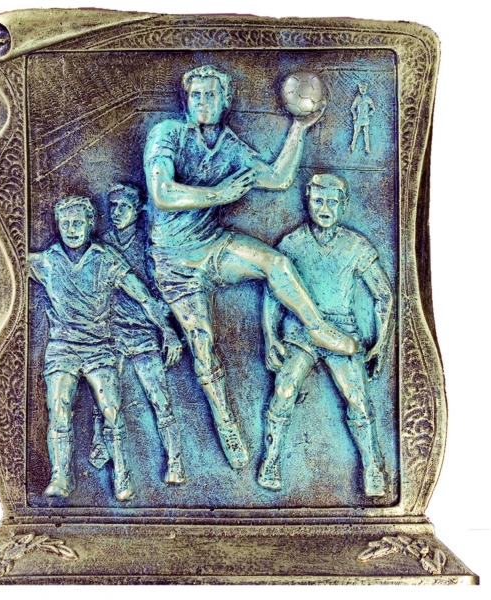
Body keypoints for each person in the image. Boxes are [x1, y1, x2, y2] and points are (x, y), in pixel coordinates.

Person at [144, 65, 359, 470]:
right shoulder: (167, 135)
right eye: (196, 95)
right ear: (186, 100)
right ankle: (225, 421)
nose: (203, 102)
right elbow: (162, 192)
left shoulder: (229, 144)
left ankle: (317, 327)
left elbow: (277, 178)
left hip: (212, 245)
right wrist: (219, 193)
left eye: (211, 95)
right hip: (173, 261)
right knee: (202, 343)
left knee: (276, 263)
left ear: (225, 100)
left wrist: (299, 128)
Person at [28, 196, 180, 501]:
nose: (71, 229)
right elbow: (6, 260)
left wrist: (168, 330)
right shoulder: (45, 261)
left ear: (90, 224)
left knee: (112, 412)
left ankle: (122, 475)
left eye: (77, 223)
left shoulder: (106, 258)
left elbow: (142, 296)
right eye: (65, 223)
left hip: (99, 348)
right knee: (58, 409)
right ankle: (61, 476)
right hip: (62, 347)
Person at [259, 174, 394, 497]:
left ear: (344, 205)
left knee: (358, 399)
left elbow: (384, 295)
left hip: (342, 332)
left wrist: (380, 345)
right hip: (300, 330)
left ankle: (373, 466)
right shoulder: (291, 244)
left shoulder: (356, 246)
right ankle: (270, 460)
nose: (325, 208)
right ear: (307, 200)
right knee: (284, 390)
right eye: (318, 201)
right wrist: (271, 337)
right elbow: (274, 293)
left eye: (332, 202)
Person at [89, 183, 186, 485]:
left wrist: (170, 332)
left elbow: (164, 292)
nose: (116, 212)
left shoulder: (149, 245)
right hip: (111, 334)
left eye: (124, 207)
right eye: (113, 206)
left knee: (160, 400)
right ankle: (100, 442)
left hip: (144, 332)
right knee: (104, 397)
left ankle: (175, 462)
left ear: (138, 210)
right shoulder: (101, 246)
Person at [350, 82, 376, 153]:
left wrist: (369, 113)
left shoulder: (368, 99)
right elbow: (352, 108)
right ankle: (352, 146)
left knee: (366, 134)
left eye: (364, 87)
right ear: (359, 89)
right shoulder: (357, 98)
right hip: (358, 118)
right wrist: (354, 115)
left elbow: (373, 108)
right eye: (361, 87)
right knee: (356, 133)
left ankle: (367, 148)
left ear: (366, 88)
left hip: (365, 118)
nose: (362, 89)